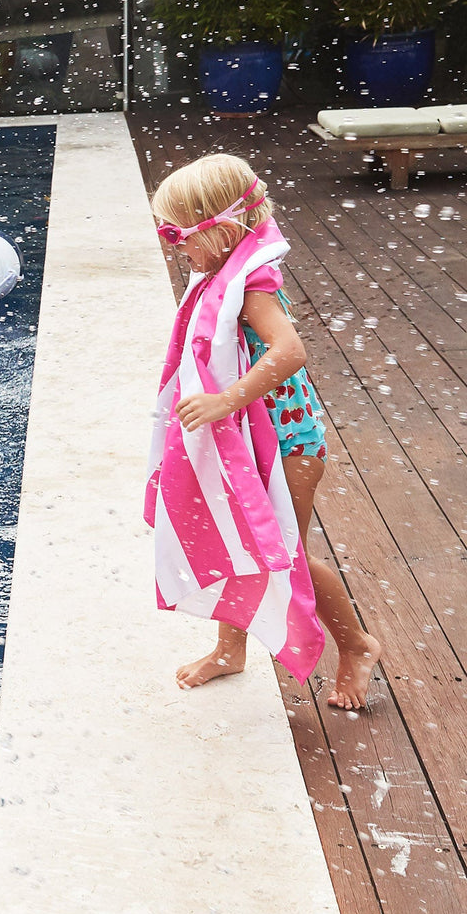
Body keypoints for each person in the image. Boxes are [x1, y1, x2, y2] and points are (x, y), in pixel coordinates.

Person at [145, 153, 382, 710]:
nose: (175, 245)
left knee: (283, 554)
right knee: (240, 545)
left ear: (223, 227)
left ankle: (357, 646)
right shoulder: (222, 276)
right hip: (253, 442)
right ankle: (231, 650)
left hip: (286, 444)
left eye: (179, 233)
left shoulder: (252, 286)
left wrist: (227, 399)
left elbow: (290, 349)